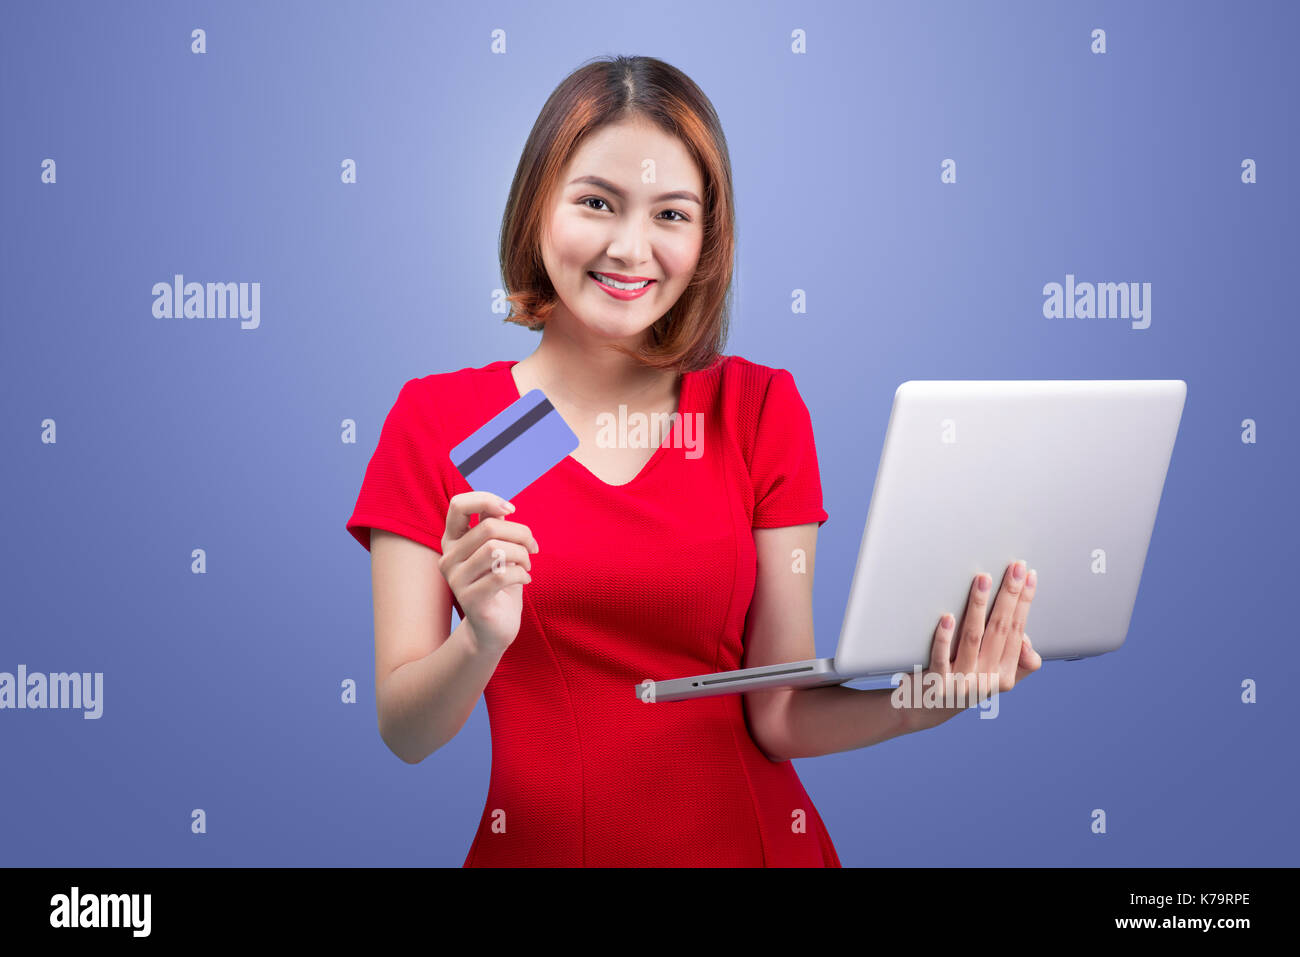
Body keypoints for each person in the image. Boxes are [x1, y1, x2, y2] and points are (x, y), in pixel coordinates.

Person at [345, 55, 1043, 867]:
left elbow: (777, 714)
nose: (630, 248)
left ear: (708, 237)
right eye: (597, 202)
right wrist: (481, 641)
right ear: (537, 205)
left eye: (672, 215)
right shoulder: (444, 423)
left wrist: (925, 700)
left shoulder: (757, 410)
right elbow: (406, 730)